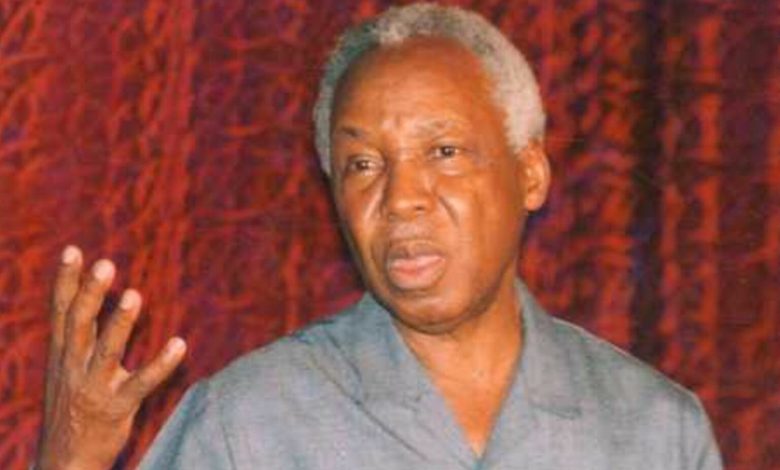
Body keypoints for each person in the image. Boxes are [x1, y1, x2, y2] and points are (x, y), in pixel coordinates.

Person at [34, 3, 723, 469]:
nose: (401, 198)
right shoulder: (247, 423)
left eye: (444, 152)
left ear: (530, 174)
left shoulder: (655, 429)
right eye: (363, 164)